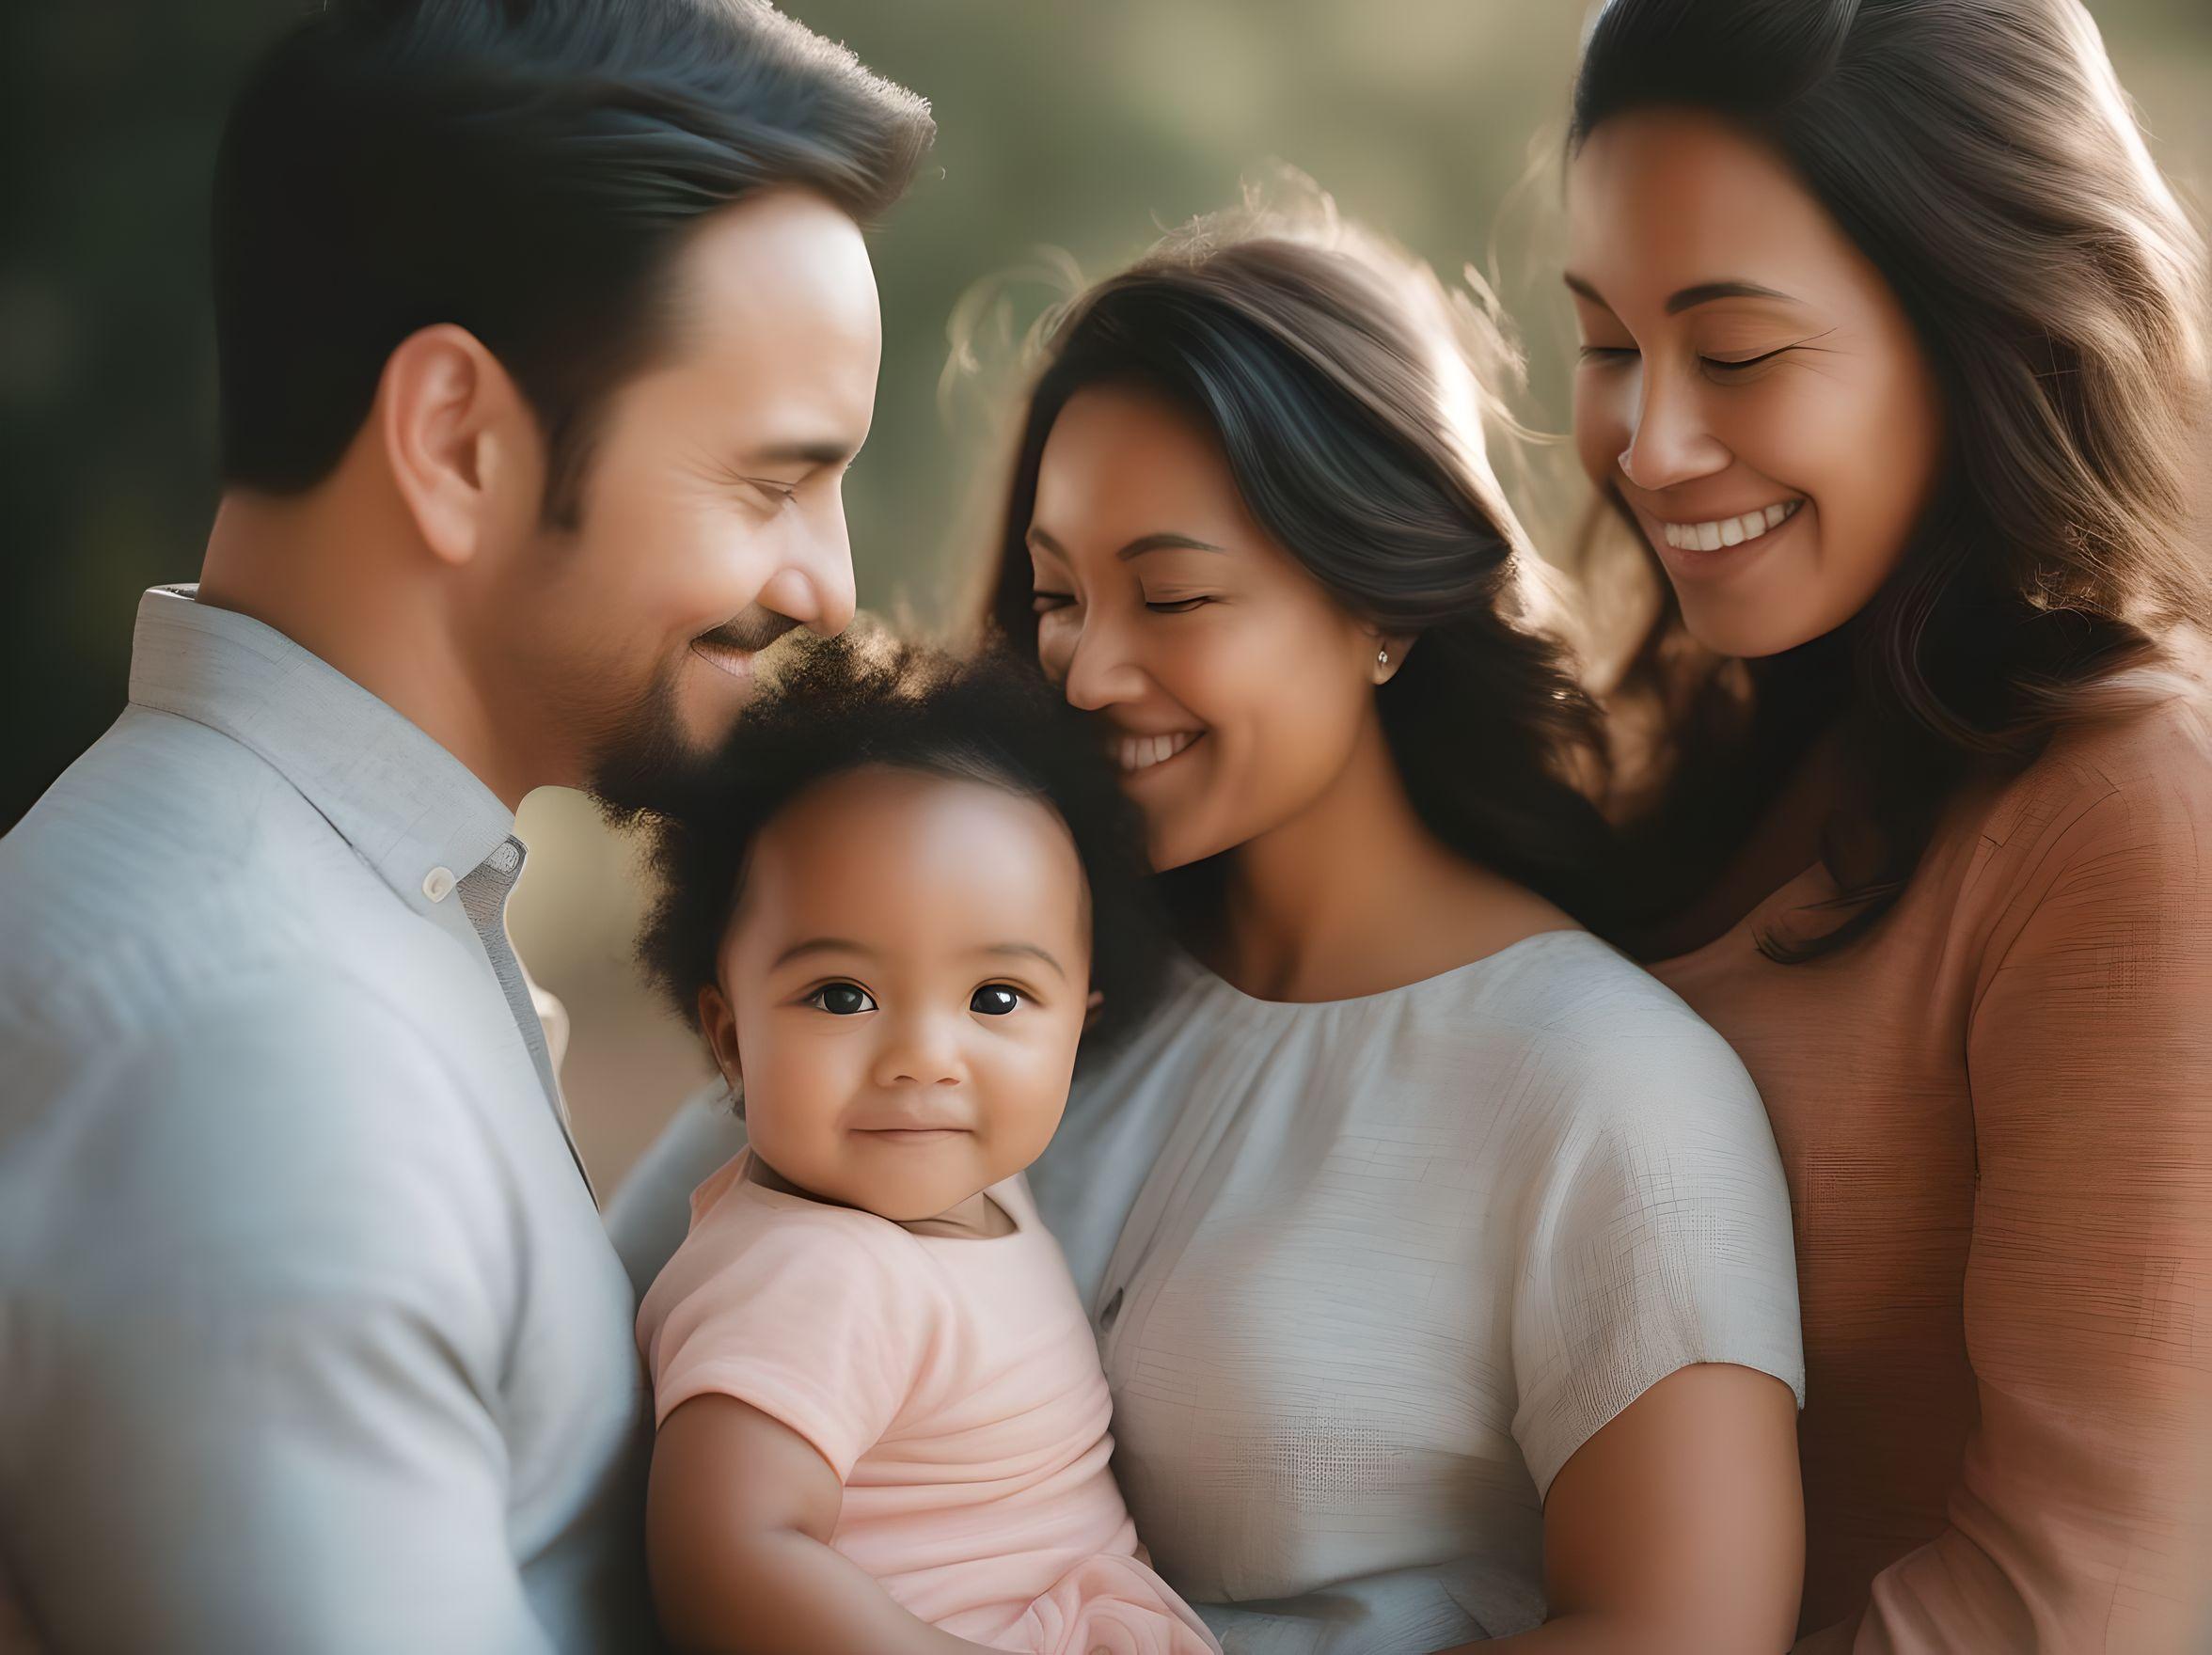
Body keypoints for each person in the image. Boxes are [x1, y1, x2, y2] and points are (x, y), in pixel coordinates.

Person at [0, 0, 929, 1647]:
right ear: (456, 443)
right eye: (773, 481)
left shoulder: (352, 912)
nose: (828, 587)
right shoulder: (260, 1065)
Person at [980, 200, 1803, 1652]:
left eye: (1172, 595)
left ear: (1383, 605)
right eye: (1057, 596)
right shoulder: (1005, 978)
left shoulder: (1602, 1083)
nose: (1089, 668)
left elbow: (1688, 1632)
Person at [1559, 1, 2212, 1649]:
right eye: (1605, 343)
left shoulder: (2132, 809)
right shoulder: (1699, 736)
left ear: (1978, 320)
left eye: (1736, 351)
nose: (1647, 443)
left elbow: (2083, 1601)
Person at [622, 638, 1216, 1655]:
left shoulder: (981, 1186)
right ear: (731, 1035)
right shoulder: (817, 1269)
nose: (923, 1059)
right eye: (842, 995)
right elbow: (726, 1558)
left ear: (1077, 1022)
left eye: (997, 997)